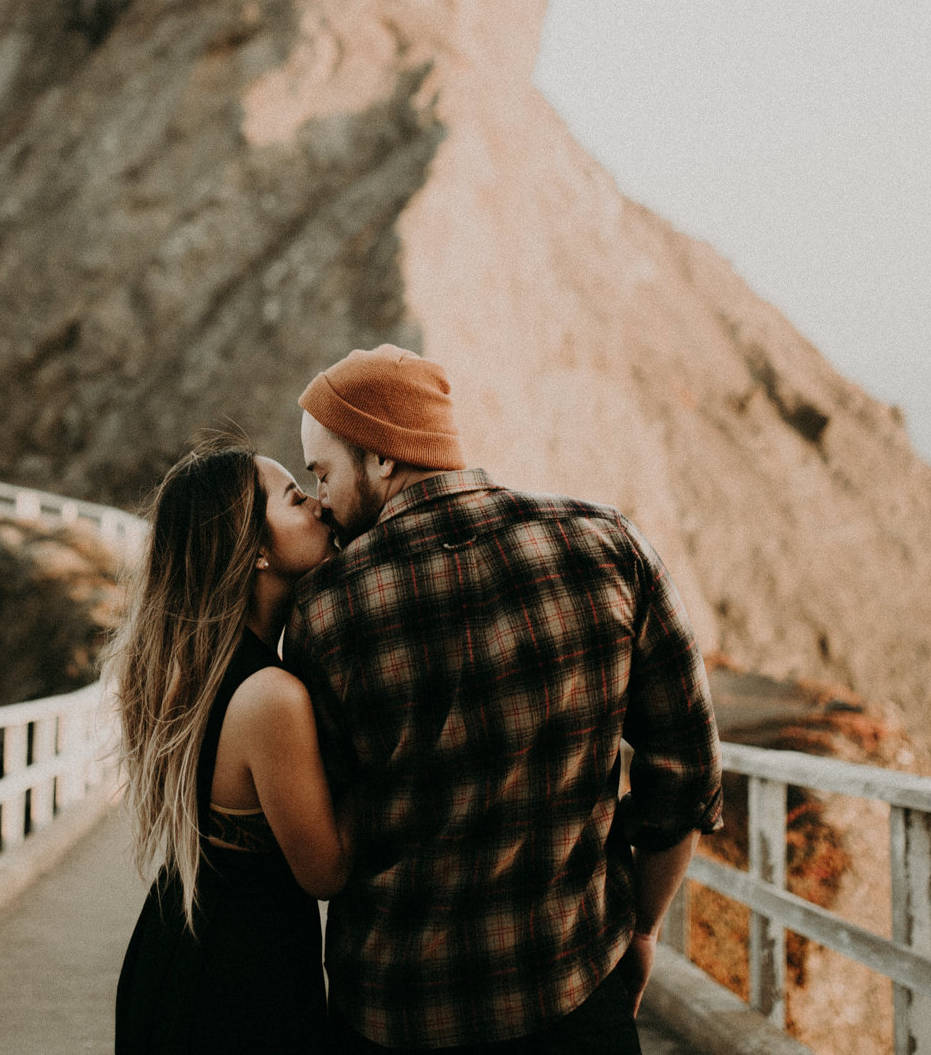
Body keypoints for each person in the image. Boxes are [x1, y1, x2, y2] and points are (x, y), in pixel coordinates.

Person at [287, 345, 725, 1053]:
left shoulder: (324, 611)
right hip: (573, 997)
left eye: (323, 472)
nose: (325, 503)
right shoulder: (609, 546)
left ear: (382, 458)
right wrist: (641, 928)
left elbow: (334, 822)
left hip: (397, 1016)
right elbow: (687, 772)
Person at [113, 434, 352, 1054]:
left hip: (177, 953)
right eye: (297, 500)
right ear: (254, 552)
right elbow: (324, 870)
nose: (321, 507)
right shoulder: (271, 696)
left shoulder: (190, 672)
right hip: (239, 983)